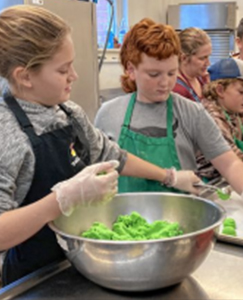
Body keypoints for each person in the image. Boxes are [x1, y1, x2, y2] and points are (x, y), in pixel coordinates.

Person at [0, 6, 202, 286]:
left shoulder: (68, 112)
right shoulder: (6, 133)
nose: (75, 76)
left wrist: (168, 176)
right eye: (63, 69)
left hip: (83, 262)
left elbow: (112, 155)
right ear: (24, 76)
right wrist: (61, 200)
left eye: (72, 64)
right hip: (34, 278)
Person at [94, 18, 243, 214]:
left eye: (171, 73)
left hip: (179, 225)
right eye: (154, 74)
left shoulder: (191, 112)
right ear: (131, 70)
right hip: (122, 224)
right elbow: (100, 172)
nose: (165, 83)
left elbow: (230, 162)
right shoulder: (108, 114)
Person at [200, 57, 243, 179]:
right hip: (212, 185)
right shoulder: (210, 117)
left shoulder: (237, 113)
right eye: (241, 92)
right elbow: (237, 161)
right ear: (220, 90)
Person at [172, 27, 212, 102]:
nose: (208, 63)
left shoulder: (202, 78)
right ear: (184, 58)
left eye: (208, 57)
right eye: (202, 58)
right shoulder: (178, 90)